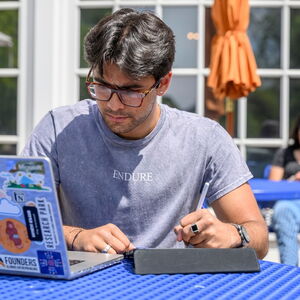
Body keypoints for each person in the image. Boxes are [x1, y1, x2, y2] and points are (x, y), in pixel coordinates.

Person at [21, 8, 268, 258]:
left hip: (170, 284)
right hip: (80, 284)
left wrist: (232, 235)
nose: (114, 104)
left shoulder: (204, 138)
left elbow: (259, 238)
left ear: (163, 83)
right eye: (102, 86)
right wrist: (75, 237)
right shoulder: (58, 127)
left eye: (131, 91)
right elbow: (15, 217)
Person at [270, 115, 300, 266]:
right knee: (282, 210)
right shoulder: (284, 153)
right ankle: (291, 270)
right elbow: (273, 184)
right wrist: (293, 179)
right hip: (290, 203)